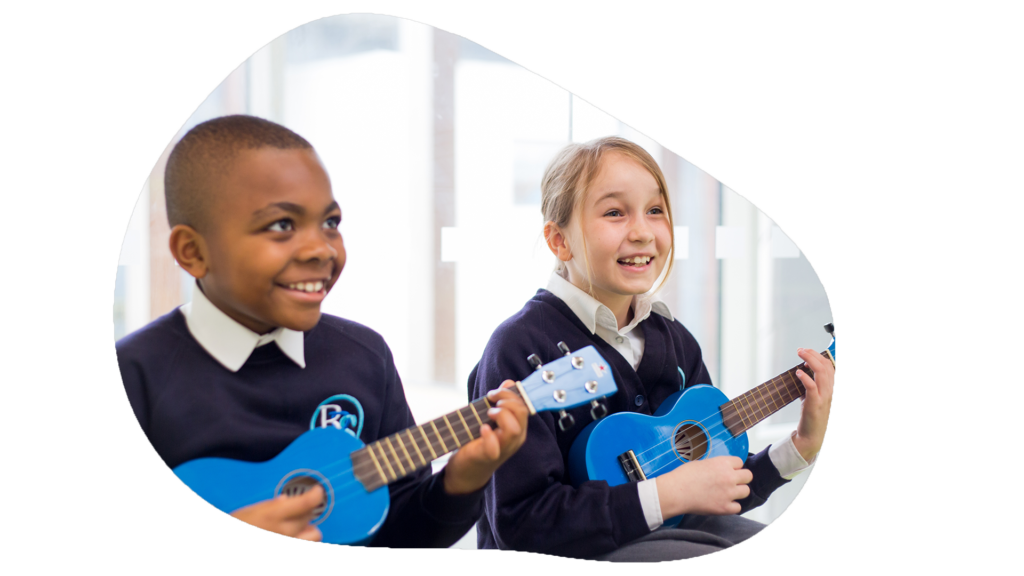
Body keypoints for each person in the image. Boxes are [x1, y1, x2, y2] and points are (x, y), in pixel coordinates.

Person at [116, 114, 529, 545]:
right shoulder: (136, 376)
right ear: (193, 252)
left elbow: (404, 532)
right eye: (282, 225)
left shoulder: (364, 357)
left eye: (330, 222)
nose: (320, 249)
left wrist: (463, 480)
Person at [467, 136, 834, 560]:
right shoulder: (518, 348)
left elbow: (711, 493)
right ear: (559, 242)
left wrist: (800, 446)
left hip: (669, 539)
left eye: (655, 211)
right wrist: (666, 496)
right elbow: (521, 524)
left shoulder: (674, 340)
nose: (642, 232)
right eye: (614, 213)